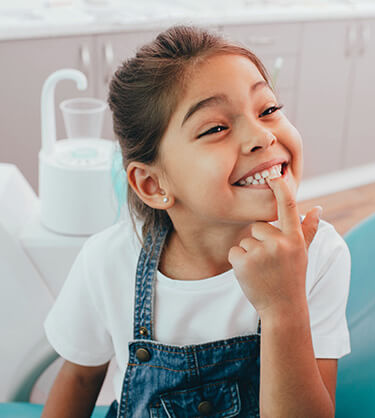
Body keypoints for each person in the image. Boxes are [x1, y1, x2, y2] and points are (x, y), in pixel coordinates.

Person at [42, 24, 351, 417]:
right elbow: (80, 379)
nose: (261, 136)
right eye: (216, 127)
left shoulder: (319, 255)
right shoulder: (106, 262)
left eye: (268, 109)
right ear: (153, 184)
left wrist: (283, 306)